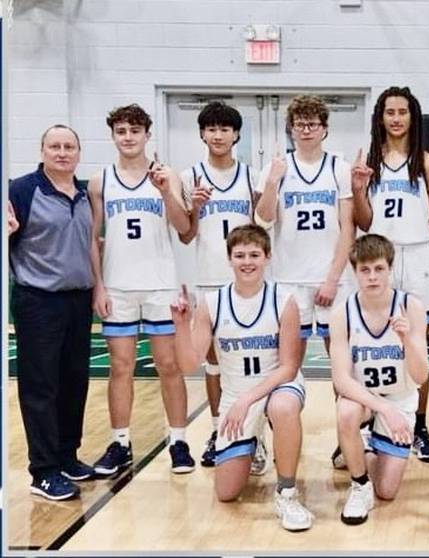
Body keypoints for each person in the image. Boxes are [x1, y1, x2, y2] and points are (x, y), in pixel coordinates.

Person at [171, 224, 314, 531]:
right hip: (236, 394)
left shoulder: (284, 300)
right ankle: (254, 442)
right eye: (239, 255)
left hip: (277, 385)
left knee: (283, 407)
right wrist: (182, 325)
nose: (247, 261)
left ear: (267, 257)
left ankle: (287, 492)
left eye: (254, 254)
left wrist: (249, 400)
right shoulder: (211, 304)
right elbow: (188, 364)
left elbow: (289, 366)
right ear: (229, 259)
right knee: (226, 493)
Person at [89, 104, 195, 476]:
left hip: (160, 284)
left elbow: (184, 230)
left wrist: (167, 192)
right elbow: (93, 238)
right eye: (121, 130)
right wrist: (98, 285)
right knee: (121, 367)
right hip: (118, 286)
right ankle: (120, 443)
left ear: (148, 134)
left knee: (169, 365)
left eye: (135, 130)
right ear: (113, 136)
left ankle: (178, 441)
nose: (128, 137)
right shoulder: (100, 181)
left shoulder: (168, 175)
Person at [350, 86, 429, 462]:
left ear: (412, 117)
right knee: (372, 340)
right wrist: (359, 189)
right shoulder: (369, 165)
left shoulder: (428, 165)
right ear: (380, 118)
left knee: (416, 341)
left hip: (419, 255)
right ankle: (369, 420)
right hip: (380, 258)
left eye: (402, 112)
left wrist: (414, 239)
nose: (395, 118)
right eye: (389, 112)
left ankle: (418, 424)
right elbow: (364, 219)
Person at [178, 101, 267, 473]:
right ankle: (220, 431)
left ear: (236, 135)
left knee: (256, 364)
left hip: (246, 280)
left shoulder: (251, 176)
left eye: (224, 129)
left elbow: (263, 224)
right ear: (202, 134)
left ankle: (257, 437)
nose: (218, 135)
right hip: (209, 278)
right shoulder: (190, 177)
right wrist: (195, 208)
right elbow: (186, 235)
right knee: (214, 365)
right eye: (211, 129)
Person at [9, 125, 95, 500]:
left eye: (69, 146)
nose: (62, 152)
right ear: (42, 150)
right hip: (38, 302)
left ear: (78, 152)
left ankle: (66, 456)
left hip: (79, 301)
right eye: (54, 146)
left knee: (74, 381)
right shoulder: (22, 190)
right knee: (41, 387)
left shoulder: (85, 192)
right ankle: (43, 470)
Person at [328, 234, 429, 525]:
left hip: (400, 398)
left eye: (379, 269)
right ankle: (359, 485)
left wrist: (407, 339)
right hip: (365, 400)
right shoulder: (342, 313)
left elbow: (422, 376)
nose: (372, 277)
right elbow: (341, 381)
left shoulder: (411, 307)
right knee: (346, 410)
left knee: (386, 491)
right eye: (365, 270)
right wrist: (383, 409)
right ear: (355, 271)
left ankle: (360, 446)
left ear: (390, 268)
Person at [254, 94, 354, 358]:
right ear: (291, 129)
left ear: (325, 129)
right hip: (289, 279)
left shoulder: (339, 169)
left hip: (331, 279)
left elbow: (348, 229)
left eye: (312, 124)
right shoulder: (274, 169)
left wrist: (332, 280)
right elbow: (262, 221)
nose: (306, 130)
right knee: (287, 365)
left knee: (342, 365)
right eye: (300, 124)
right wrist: (272, 183)